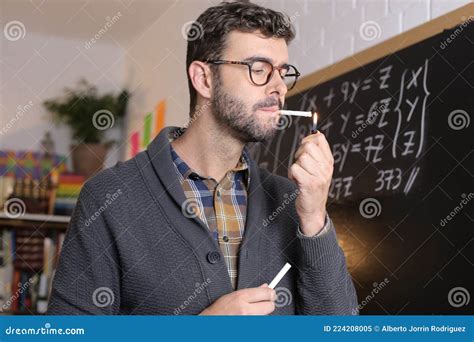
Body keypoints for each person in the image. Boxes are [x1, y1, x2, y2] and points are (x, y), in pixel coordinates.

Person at [48, 1, 358, 315]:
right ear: (204, 79)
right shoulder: (108, 197)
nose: (279, 87)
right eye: (260, 69)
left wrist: (315, 216)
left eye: (283, 72)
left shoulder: (290, 201)